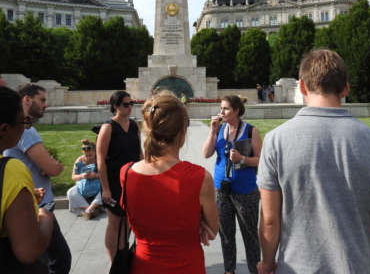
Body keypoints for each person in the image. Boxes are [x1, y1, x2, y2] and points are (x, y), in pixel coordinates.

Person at [257, 49, 370, 274]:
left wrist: (266, 264)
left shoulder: (276, 140)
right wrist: (350, 215)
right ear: (346, 88)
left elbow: (270, 220)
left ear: (303, 86)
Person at [121, 91, 219, 273]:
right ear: (182, 130)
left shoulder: (126, 173)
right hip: (187, 266)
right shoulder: (199, 177)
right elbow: (212, 229)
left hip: (143, 265)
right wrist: (195, 222)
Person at [0, 85, 53, 268]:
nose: (25, 128)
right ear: (4, 129)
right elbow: (29, 251)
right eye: (24, 122)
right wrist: (46, 217)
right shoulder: (9, 169)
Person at [4, 83, 72, 274]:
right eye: (42, 100)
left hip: (30, 201)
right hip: (37, 205)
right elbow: (53, 168)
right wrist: (55, 165)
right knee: (59, 260)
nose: (45, 105)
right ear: (27, 99)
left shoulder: (17, 130)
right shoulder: (25, 130)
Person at [202, 95, 263, 274]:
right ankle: (229, 270)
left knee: (250, 234)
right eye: (221, 108)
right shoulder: (220, 129)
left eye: (226, 108)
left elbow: (260, 159)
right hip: (221, 190)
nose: (221, 112)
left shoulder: (251, 131)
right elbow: (206, 154)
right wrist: (212, 131)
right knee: (226, 234)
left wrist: (242, 158)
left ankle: (255, 269)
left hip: (245, 191)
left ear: (237, 111)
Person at [96, 90, 144, 263]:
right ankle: (112, 262)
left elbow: (139, 153)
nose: (130, 107)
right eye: (126, 104)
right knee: (115, 222)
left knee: (127, 221)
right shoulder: (108, 127)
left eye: (131, 103)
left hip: (132, 179)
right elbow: (100, 161)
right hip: (114, 180)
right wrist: (106, 188)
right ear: (115, 106)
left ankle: (122, 258)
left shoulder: (134, 125)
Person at [67, 139, 102, 220]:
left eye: (91, 155)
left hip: (98, 184)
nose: (88, 157)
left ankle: (88, 210)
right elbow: (74, 177)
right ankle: (92, 209)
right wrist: (82, 176)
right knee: (71, 192)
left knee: (106, 190)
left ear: (95, 152)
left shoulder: (99, 159)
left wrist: (96, 176)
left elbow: (108, 174)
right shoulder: (80, 160)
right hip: (83, 184)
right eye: (86, 155)